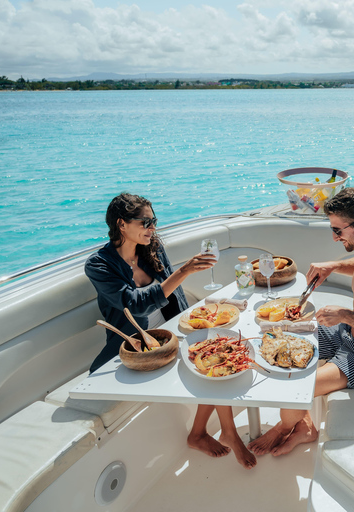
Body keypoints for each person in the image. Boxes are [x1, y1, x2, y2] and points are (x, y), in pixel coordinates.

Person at [85, 192, 256, 469]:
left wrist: (196, 327)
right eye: (146, 222)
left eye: (154, 220)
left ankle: (215, 433)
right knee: (209, 364)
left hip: (172, 333)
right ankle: (219, 434)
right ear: (121, 224)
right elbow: (136, 306)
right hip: (137, 349)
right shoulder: (99, 265)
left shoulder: (151, 247)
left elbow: (175, 302)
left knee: (218, 354)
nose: (153, 228)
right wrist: (184, 271)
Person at [248, 187, 354, 457]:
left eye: (338, 230)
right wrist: (335, 266)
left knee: (295, 386)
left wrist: (346, 315)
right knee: (277, 341)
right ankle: (301, 422)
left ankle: (289, 428)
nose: (335, 237)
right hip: (346, 333)